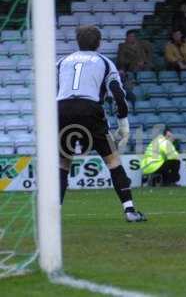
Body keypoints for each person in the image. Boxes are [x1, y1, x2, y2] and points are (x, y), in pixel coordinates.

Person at [56, 25, 146, 222]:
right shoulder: (104, 62)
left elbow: (52, 89)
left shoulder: (62, 62)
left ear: (78, 42)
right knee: (113, 160)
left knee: (63, 163)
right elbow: (118, 95)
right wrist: (123, 124)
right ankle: (130, 210)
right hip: (89, 109)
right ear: (98, 43)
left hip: (62, 109)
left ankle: (54, 214)